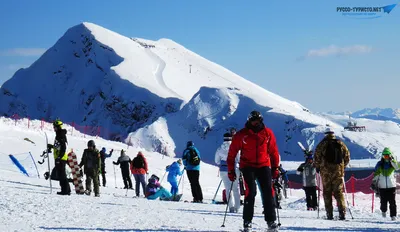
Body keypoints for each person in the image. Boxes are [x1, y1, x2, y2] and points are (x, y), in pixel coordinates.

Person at [227, 110, 280, 231]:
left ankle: (271, 221)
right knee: (250, 192)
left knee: (268, 192)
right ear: (249, 121)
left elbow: (273, 152)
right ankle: (247, 221)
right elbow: (231, 154)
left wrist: (275, 168)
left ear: (261, 120)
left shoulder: (268, 133)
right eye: (253, 120)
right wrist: (231, 170)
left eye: (257, 120)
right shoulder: (242, 134)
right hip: (247, 166)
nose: (255, 123)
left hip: (264, 165)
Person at [314, 127, 350, 220]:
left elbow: (317, 158)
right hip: (338, 172)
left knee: (327, 192)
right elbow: (347, 157)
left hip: (325, 172)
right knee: (339, 192)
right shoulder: (341, 144)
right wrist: (342, 167)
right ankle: (342, 213)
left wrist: (318, 167)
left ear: (325, 134)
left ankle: (329, 214)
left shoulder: (321, 145)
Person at [215, 132, 241, 213]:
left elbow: (217, 161)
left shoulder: (220, 148)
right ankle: (237, 207)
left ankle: (231, 207)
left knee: (228, 189)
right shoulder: (235, 147)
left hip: (224, 170)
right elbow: (239, 159)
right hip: (234, 168)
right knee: (236, 188)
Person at [372, 147, 399, 220]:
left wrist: (392, 161)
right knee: (383, 202)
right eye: (384, 156)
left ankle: (393, 216)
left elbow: (397, 168)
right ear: (382, 156)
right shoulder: (380, 164)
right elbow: (376, 174)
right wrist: (374, 182)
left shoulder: (393, 164)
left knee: (392, 202)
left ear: (390, 155)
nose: (386, 157)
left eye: (387, 155)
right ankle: (383, 211)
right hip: (382, 186)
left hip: (391, 186)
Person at [47, 119, 71, 195]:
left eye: (55, 127)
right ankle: (67, 190)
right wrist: (52, 146)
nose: (54, 128)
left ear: (59, 127)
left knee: (62, 174)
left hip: (61, 158)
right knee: (61, 174)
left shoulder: (61, 135)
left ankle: (65, 190)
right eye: (54, 127)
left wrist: (59, 157)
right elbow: (58, 147)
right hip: (59, 157)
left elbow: (63, 147)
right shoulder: (59, 134)